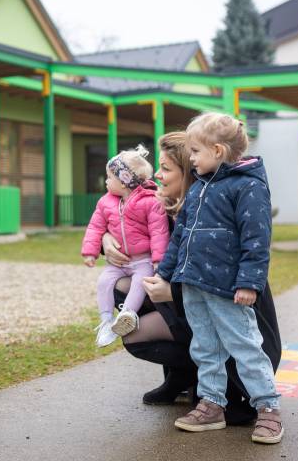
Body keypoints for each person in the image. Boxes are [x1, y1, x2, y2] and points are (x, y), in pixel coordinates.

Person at [102, 130, 281, 427]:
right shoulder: (164, 206)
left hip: (233, 310)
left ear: (190, 170)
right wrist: (105, 240)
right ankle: (186, 380)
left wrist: (174, 292)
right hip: (194, 304)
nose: (157, 175)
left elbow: (253, 247)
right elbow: (122, 224)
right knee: (122, 289)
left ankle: (255, 400)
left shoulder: (218, 209)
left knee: (218, 341)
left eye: (166, 168)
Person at [151, 112, 283, 444]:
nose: (191, 158)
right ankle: (211, 404)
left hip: (226, 288)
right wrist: (165, 272)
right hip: (193, 284)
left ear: (218, 151)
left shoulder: (248, 186)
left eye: (195, 151)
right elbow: (180, 236)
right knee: (205, 347)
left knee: (245, 346)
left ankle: (268, 408)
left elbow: (257, 239)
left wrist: (249, 283)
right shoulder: (199, 188)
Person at [82, 145, 170, 347]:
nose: (106, 181)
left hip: (143, 260)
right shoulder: (106, 202)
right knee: (104, 282)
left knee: (140, 283)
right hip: (118, 262)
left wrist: (158, 261)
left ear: (123, 181)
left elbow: (159, 233)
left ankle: (127, 315)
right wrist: (90, 252)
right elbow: (95, 226)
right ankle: (106, 320)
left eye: (109, 177)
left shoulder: (150, 202)